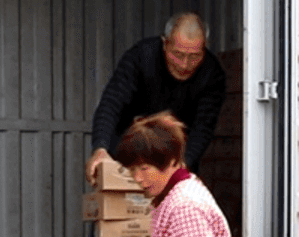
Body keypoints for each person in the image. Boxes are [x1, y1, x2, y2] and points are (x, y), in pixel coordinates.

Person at [85, 12, 226, 185]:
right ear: (165, 44)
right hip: (128, 151)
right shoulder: (141, 56)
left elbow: (203, 127)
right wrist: (100, 147)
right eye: (178, 54)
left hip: (176, 156)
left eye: (194, 56)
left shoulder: (212, 74)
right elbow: (111, 103)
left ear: (205, 49)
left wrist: (184, 163)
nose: (184, 64)